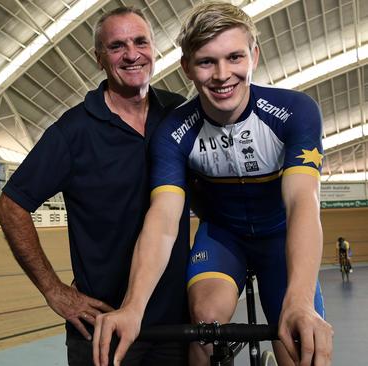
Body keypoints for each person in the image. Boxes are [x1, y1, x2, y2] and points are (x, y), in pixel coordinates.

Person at [93, 2, 333, 366]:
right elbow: (162, 221)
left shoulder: (295, 112)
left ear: (254, 55)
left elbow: (302, 201)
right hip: (224, 237)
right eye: (207, 61)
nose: (222, 75)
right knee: (205, 323)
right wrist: (132, 307)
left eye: (234, 57)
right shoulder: (174, 132)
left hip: (280, 238)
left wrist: (299, 302)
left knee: (304, 347)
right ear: (187, 67)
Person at [0, 6, 190, 366]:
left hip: (175, 324)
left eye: (140, 41)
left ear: (154, 49)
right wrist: (54, 291)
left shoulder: (179, 114)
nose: (131, 54)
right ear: (99, 59)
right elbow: (11, 205)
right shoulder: (73, 131)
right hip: (102, 328)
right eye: (117, 46)